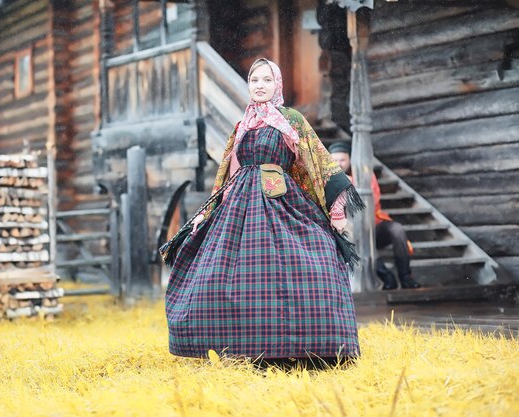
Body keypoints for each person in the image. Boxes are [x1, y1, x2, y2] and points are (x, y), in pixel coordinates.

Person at [164, 58, 365, 369]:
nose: (259, 85)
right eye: (254, 80)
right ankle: (242, 347)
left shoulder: (291, 120)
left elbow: (315, 159)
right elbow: (228, 173)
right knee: (224, 271)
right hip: (240, 205)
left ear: (277, 85)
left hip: (283, 199)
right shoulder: (241, 125)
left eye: (266, 80)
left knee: (310, 260)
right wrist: (211, 212)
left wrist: (335, 212)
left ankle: (303, 348)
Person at [328, 142, 421, 290]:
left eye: (342, 160)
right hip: (348, 232)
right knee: (354, 235)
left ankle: (406, 276)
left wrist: (349, 183)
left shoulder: (365, 174)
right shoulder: (327, 177)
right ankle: (385, 275)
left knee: (397, 230)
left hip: (373, 224)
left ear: (350, 159)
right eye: (335, 160)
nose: (338, 164)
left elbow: (372, 200)